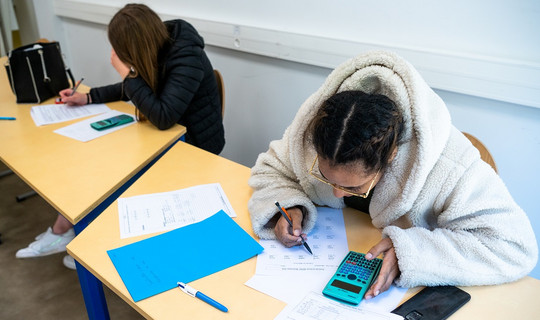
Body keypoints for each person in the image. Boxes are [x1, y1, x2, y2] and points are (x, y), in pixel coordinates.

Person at [248, 50, 538, 299]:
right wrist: (290, 206)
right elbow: (271, 169)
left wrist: (412, 253)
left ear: (391, 157)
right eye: (326, 178)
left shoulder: (451, 164)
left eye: (354, 185)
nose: (336, 193)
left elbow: (514, 248)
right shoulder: (321, 135)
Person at [16, 3, 225, 269]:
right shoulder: (157, 47)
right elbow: (137, 87)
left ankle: (79, 238)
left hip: (194, 145)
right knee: (95, 158)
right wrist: (88, 97)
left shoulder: (187, 57)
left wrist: (127, 73)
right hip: (162, 140)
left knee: (108, 169)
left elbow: (163, 115)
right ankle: (69, 232)